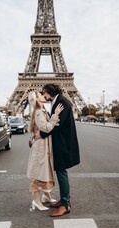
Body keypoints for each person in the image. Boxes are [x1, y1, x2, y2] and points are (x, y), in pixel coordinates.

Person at [36, 83, 80, 217]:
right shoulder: (58, 101)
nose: (44, 95)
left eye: (44, 93)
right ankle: (64, 199)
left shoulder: (62, 102)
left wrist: (41, 134)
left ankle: (65, 204)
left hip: (63, 144)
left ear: (50, 92)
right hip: (60, 143)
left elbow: (58, 125)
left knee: (61, 171)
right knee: (60, 171)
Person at [27, 91, 64, 211]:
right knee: (38, 172)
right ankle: (36, 201)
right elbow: (47, 128)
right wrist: (56, 114)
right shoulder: (38, 113)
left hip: (44, 145)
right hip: (40, 147)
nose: (44, 95)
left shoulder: (42, 111)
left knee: (45, 170)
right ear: (38, 100)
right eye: (41, 95)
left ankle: (46, 195)